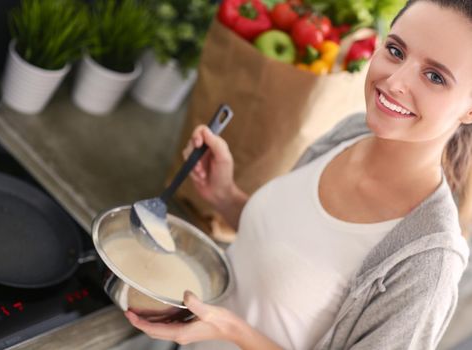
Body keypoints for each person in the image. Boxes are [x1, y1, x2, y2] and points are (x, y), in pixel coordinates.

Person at [125, 0, 472, 348]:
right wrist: (224, 195)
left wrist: (232, 331)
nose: (395, 81)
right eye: (396, 50)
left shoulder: (429, 262)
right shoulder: (350, 133)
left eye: (435, 77)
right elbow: (283, 252)